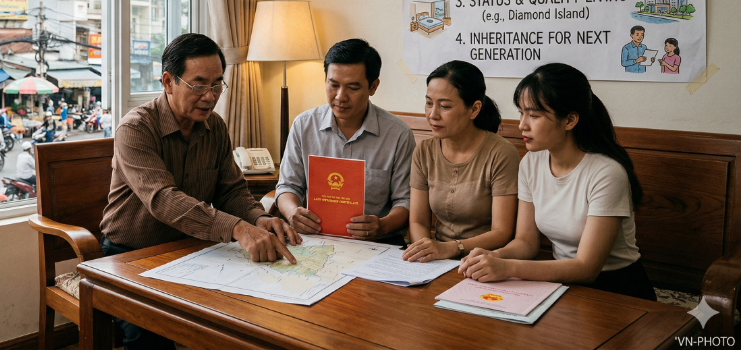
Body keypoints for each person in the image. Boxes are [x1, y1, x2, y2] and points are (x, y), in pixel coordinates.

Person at [100, 33, 299, 350]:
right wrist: (237, 228)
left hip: (190, 249)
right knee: (151, 330)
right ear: (168, 82)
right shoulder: (135, 128)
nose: (210, 96)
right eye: (199, 85)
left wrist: (258, 219)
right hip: (130, 253)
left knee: (251, 313)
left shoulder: (215, 127)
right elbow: (163, 200)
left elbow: (231, 192)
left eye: (217, 85)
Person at [459, 63, 655, 301]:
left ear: (569, 120)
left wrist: (507, 267)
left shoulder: (607, 173)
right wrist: (493, 256)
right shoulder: (531, 163)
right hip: (561, 282)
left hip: (617, 290)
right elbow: (526, 242)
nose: (522, 124)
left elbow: (586, 268)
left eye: (534, 115)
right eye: (521, 112)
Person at [276, 38, 414, 243]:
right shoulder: (303, 125)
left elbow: (406, 201)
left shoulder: (398, 134)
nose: (340, 97)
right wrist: (292, 212)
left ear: (373, 87)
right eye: (333, 85)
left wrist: (383, 225)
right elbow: (287, 187)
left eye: (353, 88)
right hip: (316, 241)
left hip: (377, 243)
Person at [401, 61, 519, 264]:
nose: (433, 114)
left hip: (484, 262)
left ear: (474, 109)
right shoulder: (424, 150)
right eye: (429, 103)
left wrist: (451, 248)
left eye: (445, 106)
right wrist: (423, 252)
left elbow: (502, 232)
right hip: (437, 260)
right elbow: (418, 221)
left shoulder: (501, 153)